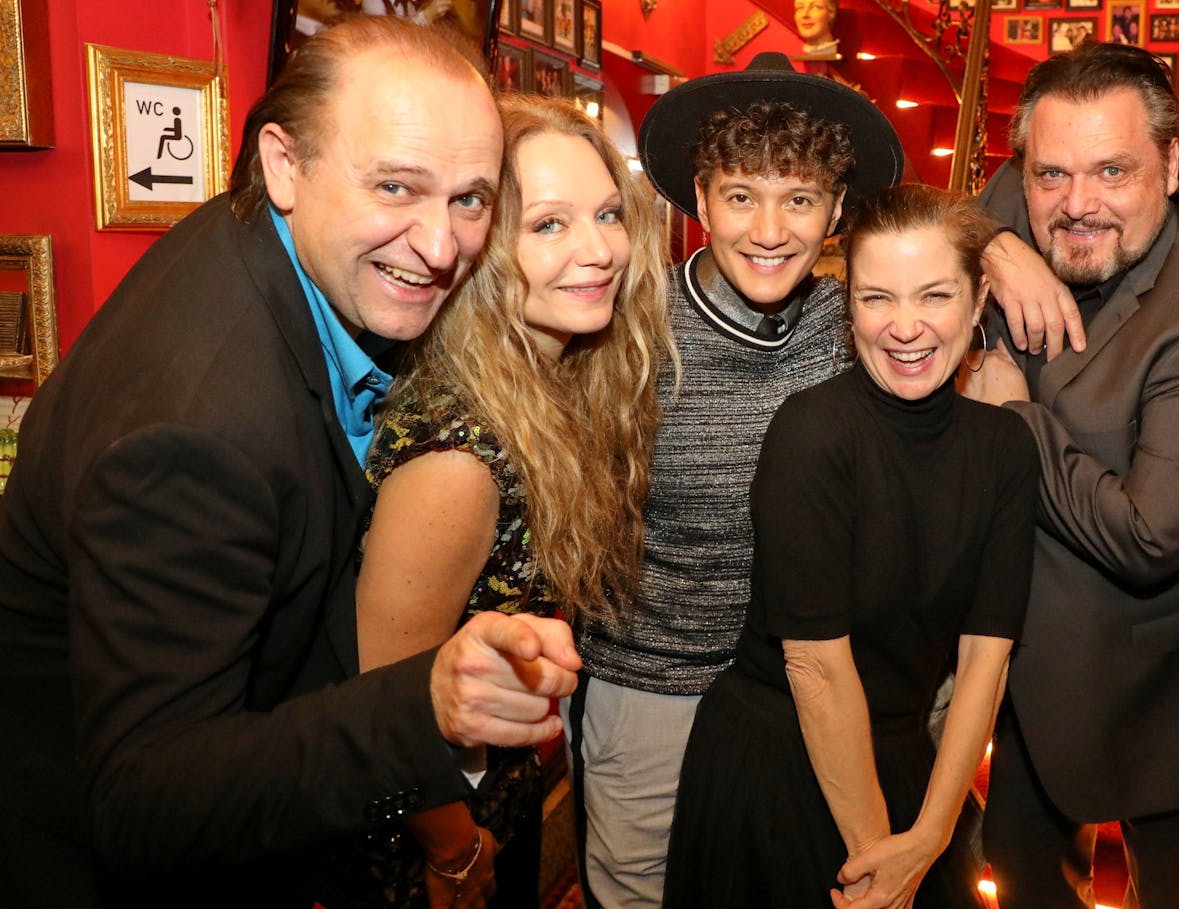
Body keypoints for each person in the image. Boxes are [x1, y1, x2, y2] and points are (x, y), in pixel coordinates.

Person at [0, 18, 581, 909]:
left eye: (471, 199)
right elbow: (146, 802)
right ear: (282, 163)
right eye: (396, 186)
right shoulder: (200, 431)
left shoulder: (267, 248)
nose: (439, 245)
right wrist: (419, 704)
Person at [316, 97, 675, 909]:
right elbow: (387, 700)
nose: (598, 250)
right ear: (479, 250)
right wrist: (453, 850)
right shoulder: (460, 453)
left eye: (608, 214)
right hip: (420, 840)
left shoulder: (553, 387)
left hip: (491, 804)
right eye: (548, 224)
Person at [564, 52, 903, 909]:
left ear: (835, 211)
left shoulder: (855, 322)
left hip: (801, 694)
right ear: (703, 198)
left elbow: (952, 287)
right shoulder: (631, 328)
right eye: (743, 195)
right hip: (652, 687)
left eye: (798, 198)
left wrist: (1005, 250)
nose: (769, 229)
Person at [663, 183, 1038, 909]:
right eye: (876, 299)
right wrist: (880, 864)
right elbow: (815, 666)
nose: (905, 327)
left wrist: (931, 833)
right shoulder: (813, 433)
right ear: (848, 306)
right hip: (781, 762)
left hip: (907, 761)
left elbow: (985, 656)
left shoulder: (1005, 447)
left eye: (934, 295)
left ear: (979, 295)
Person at [963, 43, 1179, 909]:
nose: (1076, 203)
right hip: (1015, 675)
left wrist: (1016, 415)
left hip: (1150, 699)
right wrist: (992, 249)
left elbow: (1147, 534)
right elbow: (953, 216)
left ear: (1171, 166)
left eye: (1112, 172)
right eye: (1051, 174)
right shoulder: (1022, 198)